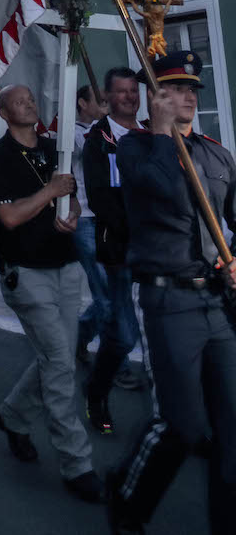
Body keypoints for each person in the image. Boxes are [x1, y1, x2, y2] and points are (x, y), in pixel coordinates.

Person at [108, 50, 236, 535]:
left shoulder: (217, 153)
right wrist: (161, 131)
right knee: (181, 427)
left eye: (191, 89)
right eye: (174, 89)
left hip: (216, 302)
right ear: (153, 98)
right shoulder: (136, 149)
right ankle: (127, 498)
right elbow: (158, 188)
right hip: (167, 302)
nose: (187, 95)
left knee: (230, 430)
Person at [0, 84, 103, 504]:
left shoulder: (57, 148)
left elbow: (72, 196)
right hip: (26, 273)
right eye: (19, 101)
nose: (29, 104)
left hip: (65, 267)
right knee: (58, 363)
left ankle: (13, 415)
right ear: (3, 112)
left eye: (32, 99)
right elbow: (11, 217)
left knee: (60, 356)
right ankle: (77, 463)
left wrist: (69, 214)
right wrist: (49, 193)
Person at [81, 68, 144, 433]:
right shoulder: (98, 139)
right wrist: (136, 229)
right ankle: (96, 389)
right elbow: (102, 198)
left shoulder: (151, 131)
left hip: (158, 250)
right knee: (123, 334)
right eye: (121, 92)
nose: (129, 97)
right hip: (122, 248)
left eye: (133, 90)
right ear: (108, 96)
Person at [73, 83, 110, 365]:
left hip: (109, 216)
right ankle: (115, 364)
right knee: (106, 292)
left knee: (113, 292)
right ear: (83, 103)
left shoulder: (109, 130)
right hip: (85, 216)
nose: (105, 105)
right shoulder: (70, 134)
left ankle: (78, 335)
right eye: (100, 100)